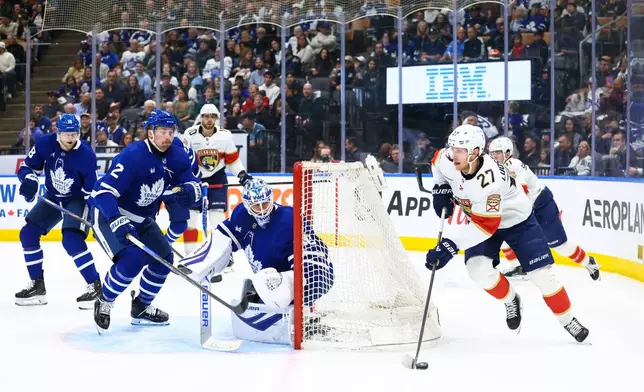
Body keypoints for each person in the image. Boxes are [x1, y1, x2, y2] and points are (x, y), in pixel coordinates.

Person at [427, 124, 590, 343]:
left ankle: (568, 320)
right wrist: (440, 187)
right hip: (484, 218)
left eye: (459, 150)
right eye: (452, 148)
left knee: (542, 276)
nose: (452, 154)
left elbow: (486, 227)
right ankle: (511, 299)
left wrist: (449, 245)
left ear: (475, 152)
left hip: (518, 221)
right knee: (477, 270)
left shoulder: (490, 180)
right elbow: (436, 161)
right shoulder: (448, 157)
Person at [178, 179, 334, 344]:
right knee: (269, 284)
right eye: (255, 206)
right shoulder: (242, 216)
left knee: (278, 292)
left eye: (265, 204)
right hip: (269, 278)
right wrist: (195, 264)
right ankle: (262, 295)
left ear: (271, 199)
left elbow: (310, 262)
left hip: (307, 275)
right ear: (247, 205)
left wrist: (300, 297)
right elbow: (222, 238)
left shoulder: (288, 219)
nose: (261, 211)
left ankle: (296, 310)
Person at [90, 110, 201, 331]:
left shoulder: (177, 156)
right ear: (150, 133)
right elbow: (102, 193)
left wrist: (189, 190)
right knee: (132, 260)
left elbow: (193, 183)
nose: (168, 137)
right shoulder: (132, 156)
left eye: (171, 132)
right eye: (162, 132)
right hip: (110, 214)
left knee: (164, 258)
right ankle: (105, 300)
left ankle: (141, 306)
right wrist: (116, 219)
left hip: (143, 218)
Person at [15, 114, 101, 309]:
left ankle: (95, 286)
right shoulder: (45, 144)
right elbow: (27, 167)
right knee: (28, 234)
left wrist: (96, 217)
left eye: (74, 134)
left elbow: (92, 192)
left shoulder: (86, 155)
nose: (70, 139)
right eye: (66, 134)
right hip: (53, 196)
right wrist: (29, 180)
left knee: (71, 240)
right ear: (58, 133)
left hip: (77, 199)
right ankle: (37, 286)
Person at [488, 137, 600, 281]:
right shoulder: (497, 170)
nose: (493, 157)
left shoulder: (513, 165)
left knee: (560, 246)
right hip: (526, 209)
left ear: (507, 153)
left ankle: (588, 262)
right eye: (491, 153)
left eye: (497, 153)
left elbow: (520, 190)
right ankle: (518, 266)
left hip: (541, 205)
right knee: (502, 232)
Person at [179, 104, 253, 257]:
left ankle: (223, 255)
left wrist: (241, 174)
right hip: (195, 180)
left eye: (212, 116)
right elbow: (183, 160)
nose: (209, 119)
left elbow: (232, 160)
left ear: (216, 118)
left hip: (217, 179)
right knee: (191, 219)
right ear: (201, 117)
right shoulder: (189, 134)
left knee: (217, 220)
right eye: (206, 116)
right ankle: (189, 255)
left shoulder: (225, 136)